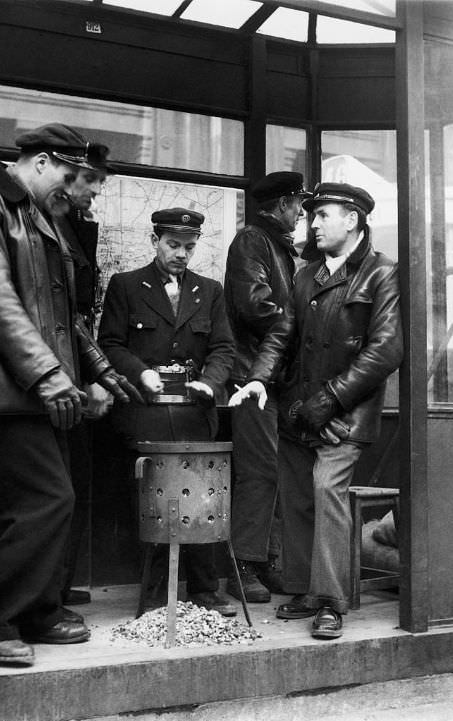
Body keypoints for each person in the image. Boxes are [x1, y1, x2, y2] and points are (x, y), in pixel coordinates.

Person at [0, 123, 141, 667]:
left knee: (49, 501)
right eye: (70, 176)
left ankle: (39, 610)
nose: (75, 188)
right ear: (42, 162)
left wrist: (98, 367)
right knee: (47, 500)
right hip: (11, 388)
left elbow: (62, 315)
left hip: (43, 387)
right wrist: (49, 375)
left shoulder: (38, 214)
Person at [230, 182, 403, 639]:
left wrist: (327, 403)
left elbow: (385, 351)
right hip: (300, 413)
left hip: (343, 416)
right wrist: (257, 379)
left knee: (327, 489)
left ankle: (331, 600)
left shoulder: (382, 273)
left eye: (323, 214)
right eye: (312, 216)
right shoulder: (306, 275)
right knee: (299, 496)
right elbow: (281, 336)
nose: (314, 223)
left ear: (353, 219)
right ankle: (308, 588)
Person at [97, 207, 237, 616]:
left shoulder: (209, 291)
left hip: (195, 415)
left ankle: (206, 590)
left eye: (189, 247)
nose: (181, 254)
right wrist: (139, 374)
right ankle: (156, 595)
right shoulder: (125, 286)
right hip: (147, 416)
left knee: (201, 501)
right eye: (173, 245)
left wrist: (209, 384)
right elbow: (110, 344)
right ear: (154, 240)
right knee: (155, 502)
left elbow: (223, 349)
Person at [224, 171, 310, 603]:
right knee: (259, 472)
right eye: (298, 204)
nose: (301, 213)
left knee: (279, 472)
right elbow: (255, 305)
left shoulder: (279, 247)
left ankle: (267, 560)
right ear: (281, 204)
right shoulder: (253, 241)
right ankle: (243, 566)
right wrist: (305, 324)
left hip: (275, 376)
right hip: (251, 376)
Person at [52, 142, 114, 607]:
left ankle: (52, 587)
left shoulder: (74, 225)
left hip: (73, 369)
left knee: (68, 486)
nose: (94, 192)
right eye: (90, 181)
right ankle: (42, 595)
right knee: (51, 494)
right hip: (52, 374)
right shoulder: (49, 224)